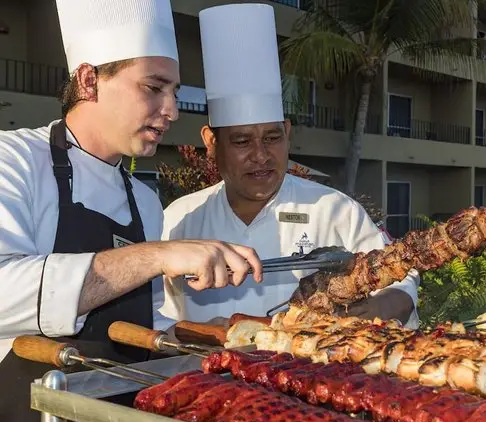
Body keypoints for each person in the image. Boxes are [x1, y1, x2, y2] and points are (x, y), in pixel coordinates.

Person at [0, 1, 262, 422]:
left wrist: (200, 335)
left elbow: (137, 323)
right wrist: (157, 255)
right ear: (88, 80)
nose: (173, 110)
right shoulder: (14, 162)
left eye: (175, 92)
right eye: (153, 87)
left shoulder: (142, 199)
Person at [159, 3, 420, 329]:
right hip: (204, 372)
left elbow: (398, 275)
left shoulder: (334, 209)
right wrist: (208, 334)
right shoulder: (179, 219)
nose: (261, 155)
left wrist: (382, 305)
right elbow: (157, 313)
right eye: (242, 141)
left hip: (315, 374)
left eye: (272, 138)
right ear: (211, 143)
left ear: (288, 133)